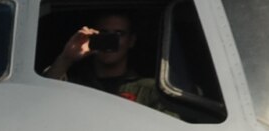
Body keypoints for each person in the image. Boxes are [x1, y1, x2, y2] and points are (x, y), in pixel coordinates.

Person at [44, 12, 174, 111]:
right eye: (103, 33)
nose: (111, 39)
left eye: (119, 34)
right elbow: (42, 99)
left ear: (131, 41)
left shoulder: (149, 90)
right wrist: (67, 57)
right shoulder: (75, 85)